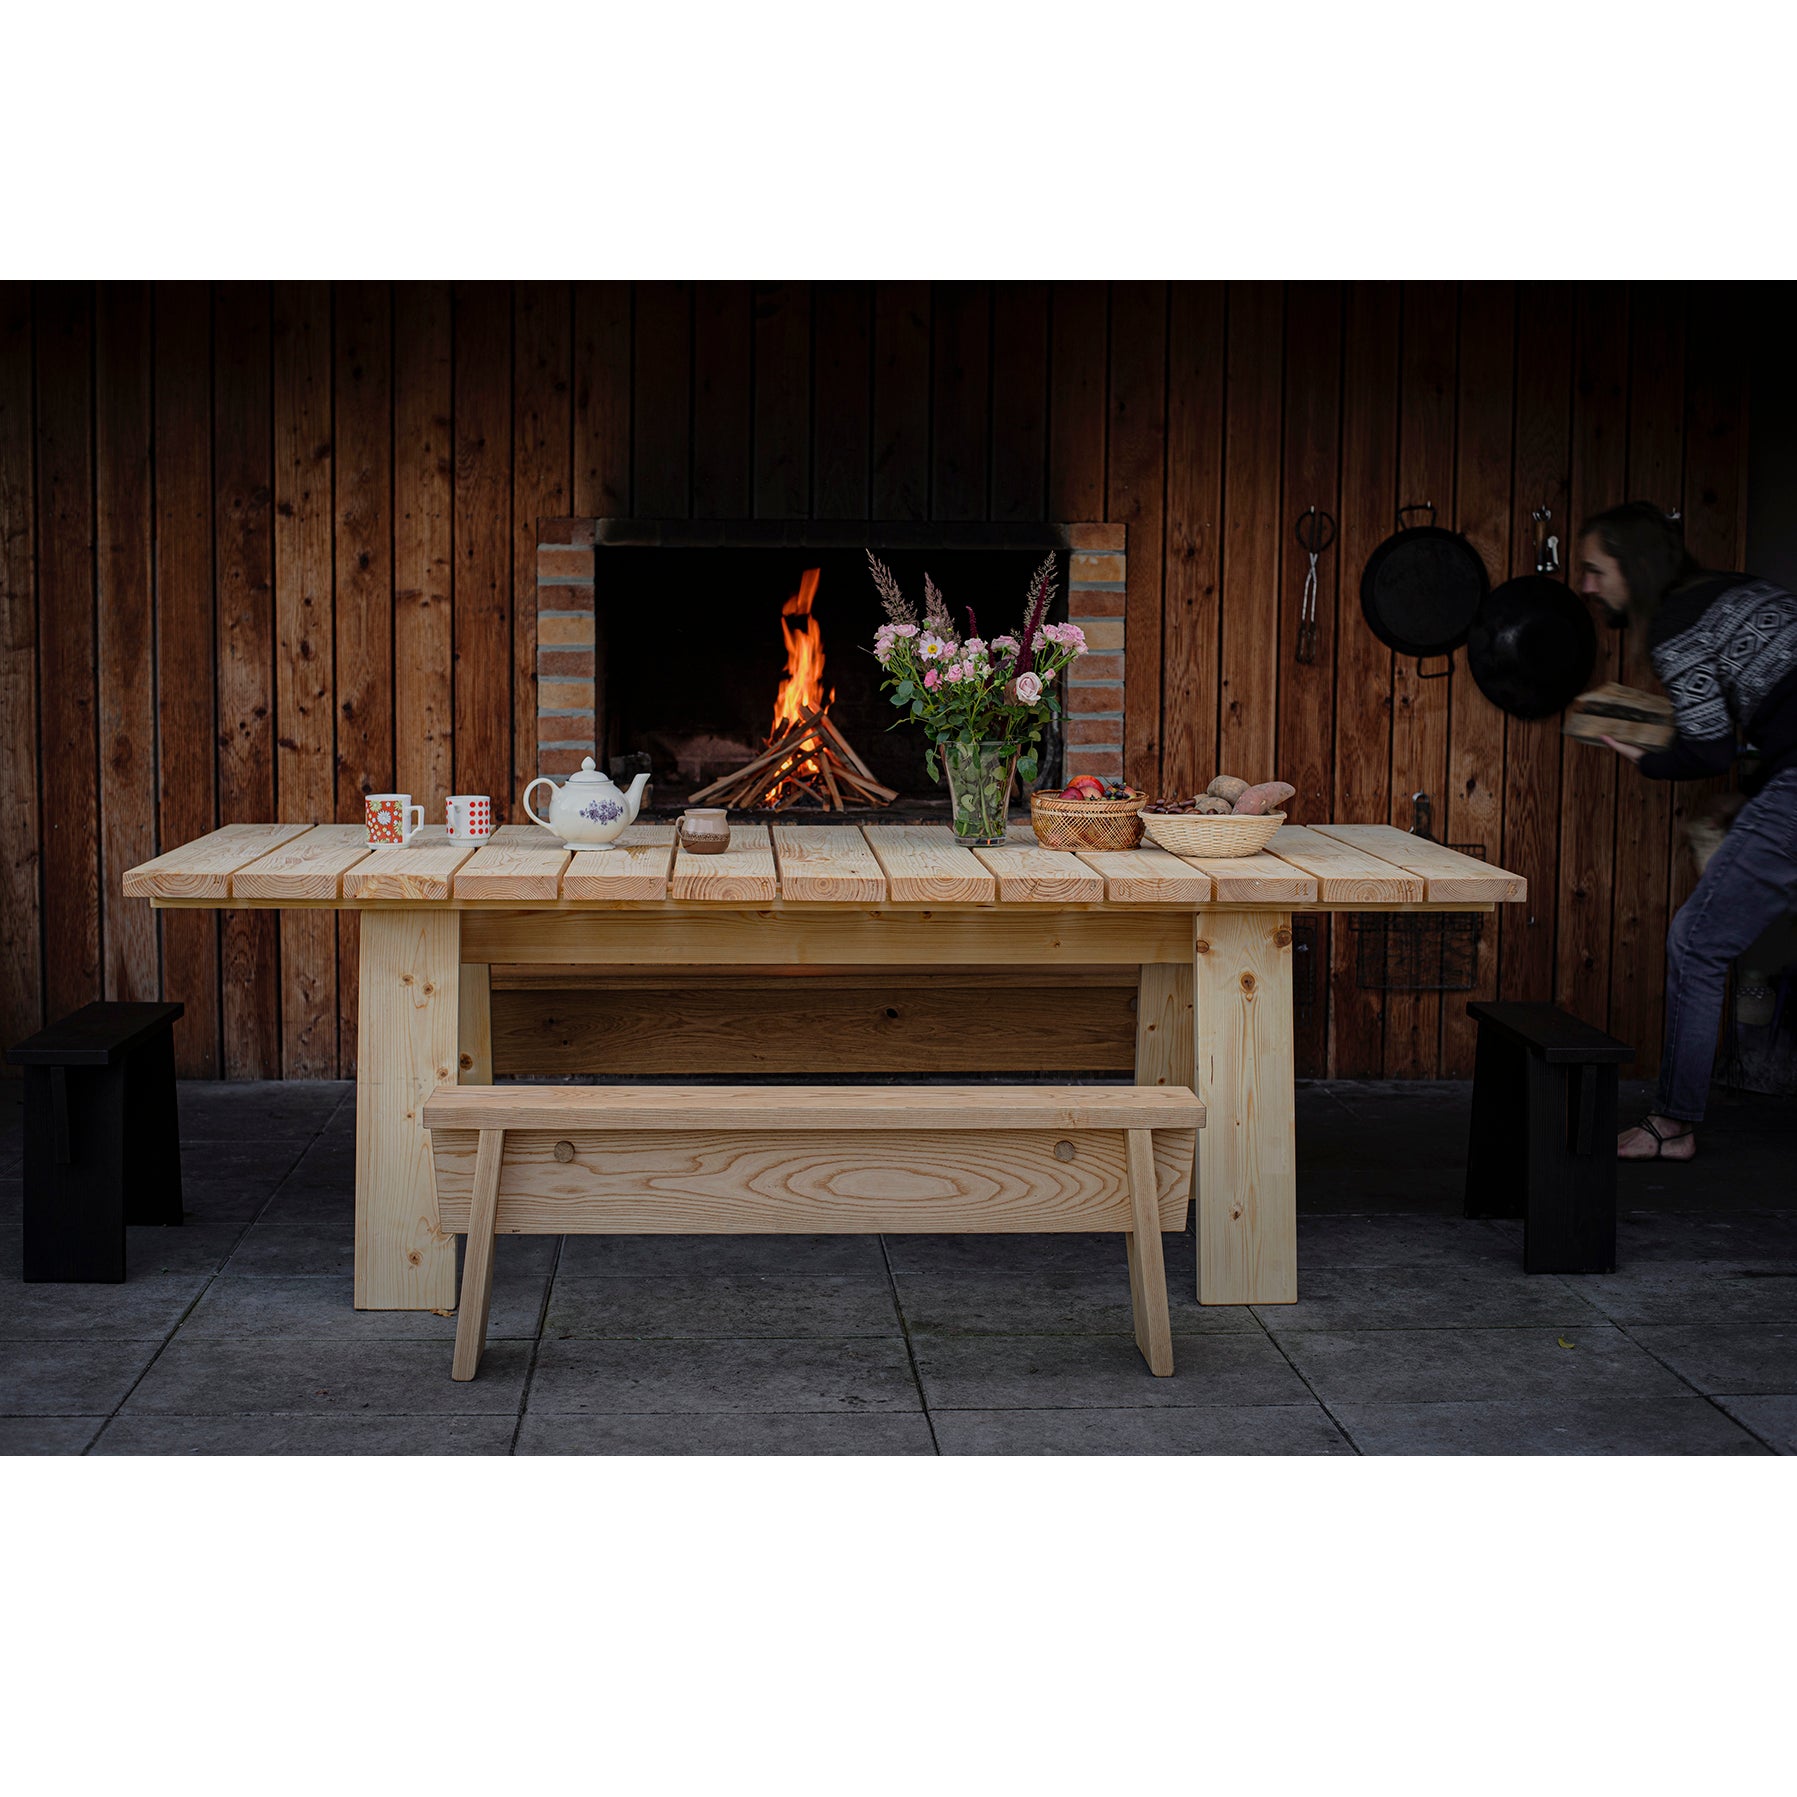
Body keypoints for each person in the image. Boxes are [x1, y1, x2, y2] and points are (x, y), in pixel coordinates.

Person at [1578, 501, 1797, 1160]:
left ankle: (1671, 1125)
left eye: (1594, 571)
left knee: (1697, 941)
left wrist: (1641, 754)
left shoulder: (1678, 621)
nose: (1586, 587)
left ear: (1632, 568)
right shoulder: (1738, 592)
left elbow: (1704, 750)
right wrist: (1748, 798)